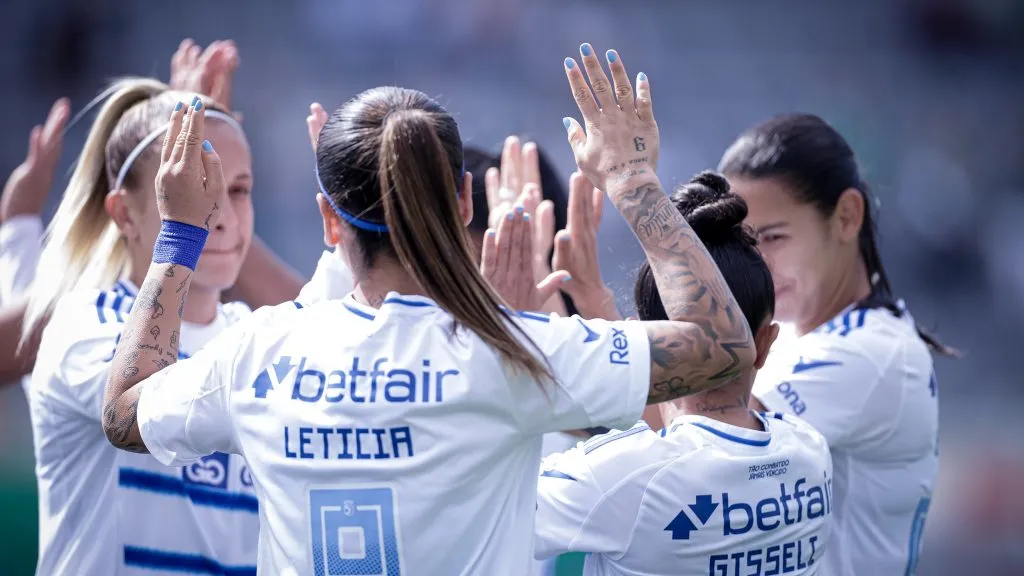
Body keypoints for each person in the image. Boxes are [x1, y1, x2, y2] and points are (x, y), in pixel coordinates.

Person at [101, 44, 756, 574]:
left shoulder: (260, 351)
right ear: (465, 203)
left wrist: (179, 234)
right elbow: (725, 347)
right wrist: (634, 182)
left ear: (329, 220)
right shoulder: (516, 352)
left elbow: (125, 410)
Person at [535, 170, 833, 575]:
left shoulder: (618, 478)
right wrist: (595, 300)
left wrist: (508, 330)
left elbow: (481, 510)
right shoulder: (810, 453)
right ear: (766, 342)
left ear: (647, 341)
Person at [22, 78, 260, 575]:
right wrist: (181, 238)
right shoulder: (85, 323)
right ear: (123, 213)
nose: (218, 217)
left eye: (237, 190)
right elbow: (136, 411)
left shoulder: (255, 333)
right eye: (191, 193)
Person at [718, 113, 952, 576]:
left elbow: (704, 449)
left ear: (847, 217)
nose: (757, 263)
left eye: (774, 237)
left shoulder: (869, 353)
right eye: (744, 243)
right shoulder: (794, 335)